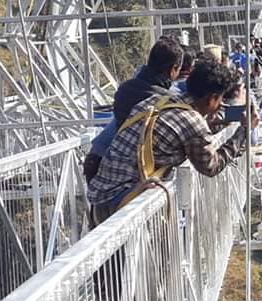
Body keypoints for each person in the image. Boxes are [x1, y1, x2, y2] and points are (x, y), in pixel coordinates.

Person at [87, 59, 250, 225]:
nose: (220, 105)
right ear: (211, 98)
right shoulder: (193, 122)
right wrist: (243, 132)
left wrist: (217, 124)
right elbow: (211, 166)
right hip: (124, 206)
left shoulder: (158, 101)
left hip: (99, 200)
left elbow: (186, 137)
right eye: (220, 100)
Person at [82, 36, 183, 183]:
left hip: (98, 161)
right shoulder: (165, 100)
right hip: (130, 173)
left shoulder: (125, 89)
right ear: (173, 69)